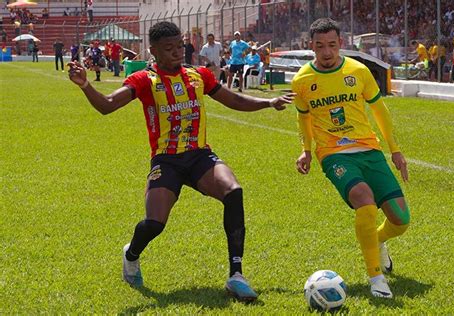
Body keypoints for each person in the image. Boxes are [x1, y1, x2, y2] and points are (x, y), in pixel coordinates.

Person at [67, 21, 294, 302]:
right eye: (169, 48)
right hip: (167, 161)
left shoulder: (198, 75)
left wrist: (268, 102)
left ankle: (236, 275)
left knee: (233, 192)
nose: (177, 52)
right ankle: (131, 254)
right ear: (154, 51)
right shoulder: (144, 80)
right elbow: (107, 105)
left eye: (179, 45)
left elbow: (233, 100)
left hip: (199, 156)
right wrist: (86, 85)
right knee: (154, 224)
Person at [292, 18, 410, 299]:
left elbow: (380, 111)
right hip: (334, 154)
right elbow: (303, 118)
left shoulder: (358, 71)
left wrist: (394, 149)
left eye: (332, 45)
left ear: (340, 44)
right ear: (311, 47)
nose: (327, 52)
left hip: (369, 150)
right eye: (320, 46)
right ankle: (376, 279)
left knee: (401, 220)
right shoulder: (302, 81)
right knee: (365, 201)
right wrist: (307, 150)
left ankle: (378, 239)